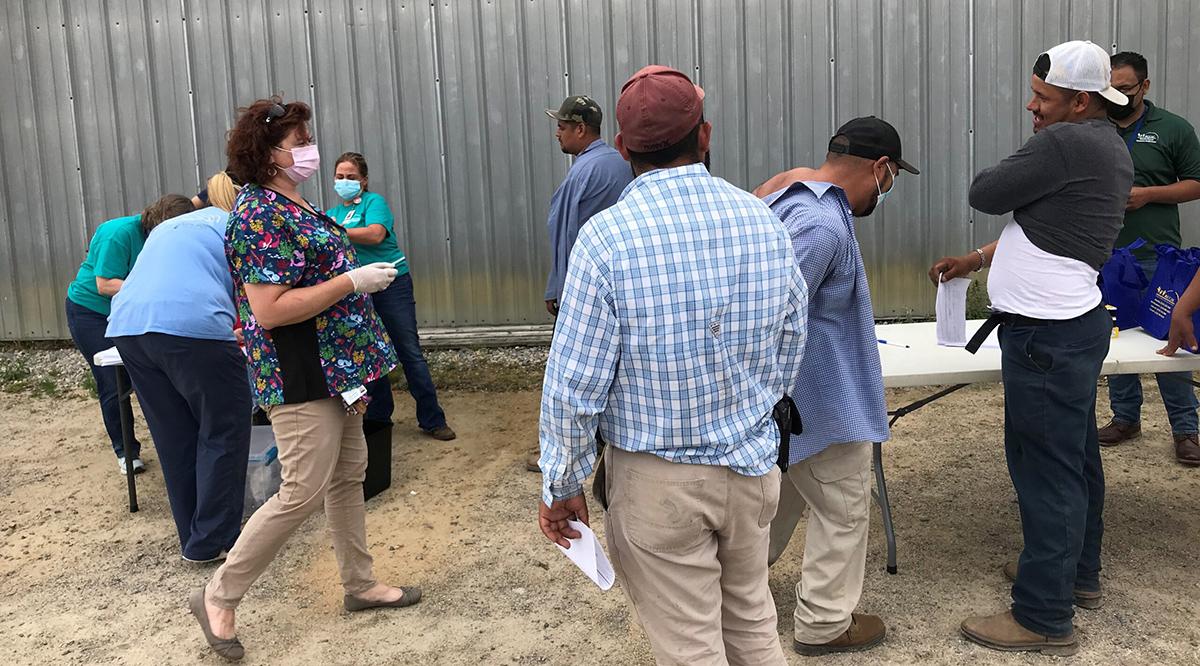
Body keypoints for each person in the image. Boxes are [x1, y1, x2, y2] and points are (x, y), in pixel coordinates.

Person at [538, 66, 809, 666]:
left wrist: (562, 484)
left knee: (689, 645)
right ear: (705, 136)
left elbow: (574, 385)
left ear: (625, 148)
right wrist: (755, 411)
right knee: (751, 619)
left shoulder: (607, 239)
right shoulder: (763, 221)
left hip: (657, 481)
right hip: (750, 469)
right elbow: (793, 339)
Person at [191, 99, 419, 662]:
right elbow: (269, 310)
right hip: (301, 372)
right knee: (301, 490)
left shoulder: (296, 203)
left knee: (348, 476)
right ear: (270, 154)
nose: (310, 148)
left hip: (337, 367)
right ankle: (219, 596)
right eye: (300, 140)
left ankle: (359, 585)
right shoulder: (257, 214)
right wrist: (351, 281)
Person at [929, 41, 1133, 655]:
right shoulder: (1106, 147)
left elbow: (985, 191)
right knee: (1073, 459)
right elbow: (1043, 223)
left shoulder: (1065, 143)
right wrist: (982, 258)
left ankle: (1044, 614)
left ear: (1079, 101)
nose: (1031, 106)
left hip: (1045, 335)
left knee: (1045, 470)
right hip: (1071, 326)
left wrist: (1021, 177)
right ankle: (1077, 575)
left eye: (1043, 99)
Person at [757, 117, 919, 656]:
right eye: (892, 177)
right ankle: (825, 623)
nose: (888, 188)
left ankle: (736, 589)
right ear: (881, 169)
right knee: (843, 510)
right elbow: (767, 311)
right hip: (818, 404)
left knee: (783, 497)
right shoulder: (821, 225)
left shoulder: (792, 197)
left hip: (789, 407)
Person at [107, 172, 249, 563]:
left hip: (129, 328)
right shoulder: (239, 223)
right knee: (225, 429)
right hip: (193, 327)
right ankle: (215, 540)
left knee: (175, 435)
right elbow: (256, 292)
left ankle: (194, 538)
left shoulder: (169, 228)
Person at [1098, 51, 1200, 466]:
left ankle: (1186, 429)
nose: (1118, 98)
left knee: (1166, 341)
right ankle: (1125, 418)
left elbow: (1196, 183)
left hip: (1159, 257)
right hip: (1105, 257)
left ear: (1145, 87)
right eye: (1111, 90)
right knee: (1115, 337)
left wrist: (1148, 195)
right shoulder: (1093, 128)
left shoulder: (1173, 128)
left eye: (1125, 90)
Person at [525, 95, 632, 472]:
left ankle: (565, 456)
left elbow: (563, 231)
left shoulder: (583, 171)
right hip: (624, 282)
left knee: (574, 372)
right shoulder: (623, 163)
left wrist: (557, 287)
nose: (557, 133)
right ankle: (609, 443)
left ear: (580, 129)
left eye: (562, 126)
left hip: (583, 285)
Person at [326, 152, 455, 441]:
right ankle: (378, 419)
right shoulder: (332, 214)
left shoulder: (374, 203)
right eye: (340, 177)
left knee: (408, 351)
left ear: (364, 179)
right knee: (370, 353)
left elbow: (375, 235)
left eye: (351, 177)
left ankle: (433, 418)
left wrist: (336, 231)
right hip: (359, 288)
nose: (344, 182)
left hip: (391, 283)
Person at [65, 194, 195, 475]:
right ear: (156, 227)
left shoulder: (174, 232)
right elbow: (105, 284)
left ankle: (175, 443)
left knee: (158, 375)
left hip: (134, 309)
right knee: (113, 381)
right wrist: (155, 289)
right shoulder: (118, 234)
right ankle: (126, 451)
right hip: (92, 311)